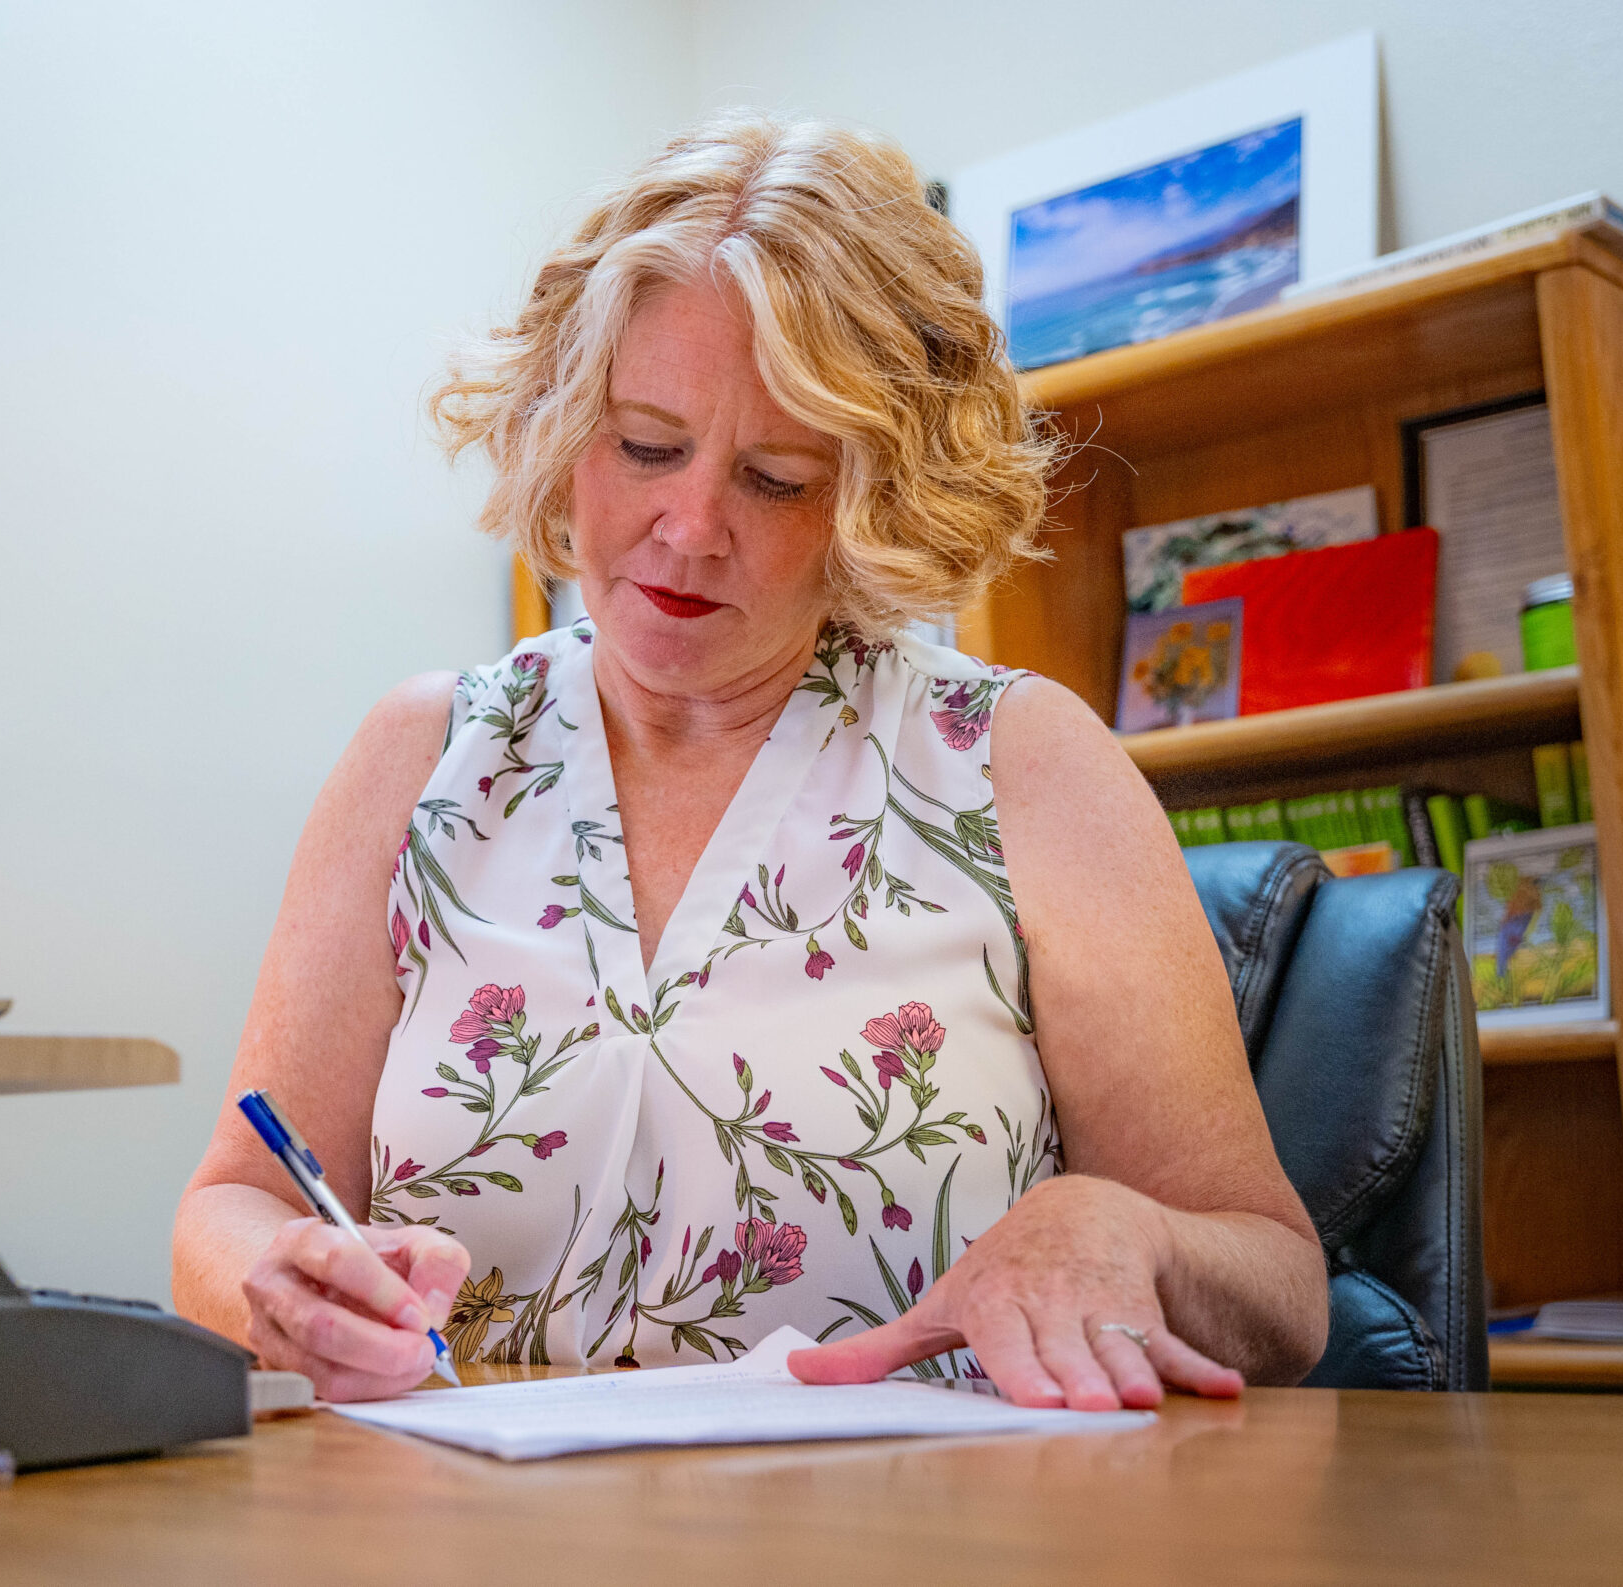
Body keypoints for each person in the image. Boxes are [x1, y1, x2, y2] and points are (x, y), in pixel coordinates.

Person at [173, 112, 1327, 1408]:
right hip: (459, 1527)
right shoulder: (427, 758)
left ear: (882, 496)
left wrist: (1135, 1242)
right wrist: (282, 1281)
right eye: (647, 445)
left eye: (776, 478)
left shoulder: (1018, 764)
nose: (690, 524)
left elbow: (1278, 1285)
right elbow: (234, 1205)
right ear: (566, 429)